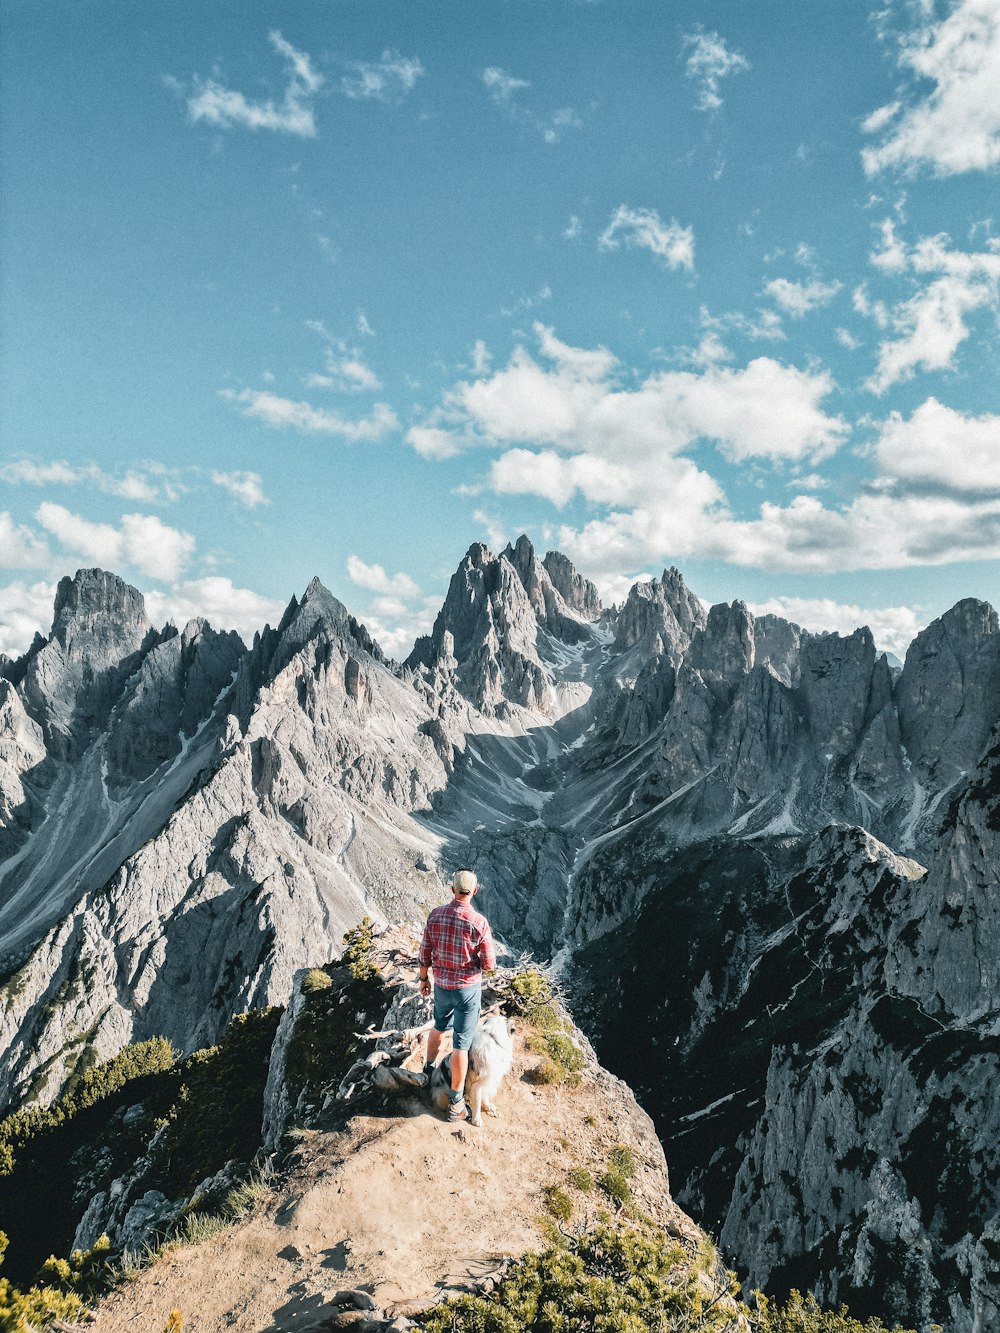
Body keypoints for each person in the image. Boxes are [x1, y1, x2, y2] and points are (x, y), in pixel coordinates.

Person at [418, 869, 497, 1122]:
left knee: (439, 1027)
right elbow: (489, 964)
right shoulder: (479, 923)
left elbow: (425, 953)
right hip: (467, 990)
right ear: (474, 892)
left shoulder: (435, 916)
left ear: (452, 889)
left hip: (442, 985)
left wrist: (423, 979)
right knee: (461, 1046)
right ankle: (455, 1103)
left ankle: (428, 1070)